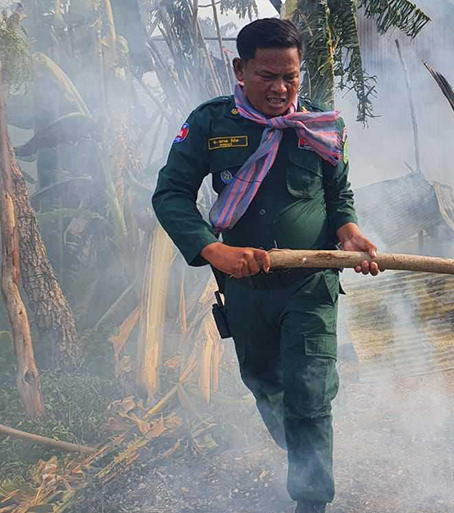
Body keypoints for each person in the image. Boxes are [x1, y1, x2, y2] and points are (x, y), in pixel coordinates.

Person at [152, 17, 380, 513]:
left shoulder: (323, 125)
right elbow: (170, 194)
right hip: (245, 290)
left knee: (310, 393)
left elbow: (338, 194)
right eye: (267, 76)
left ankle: (312, 500)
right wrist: (214, 250)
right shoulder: (211, 124)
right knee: (266, 386)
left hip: (311, 284)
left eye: (290, 77)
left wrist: (349, 231)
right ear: (240, 70)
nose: (280, 89)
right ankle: (300, 445)